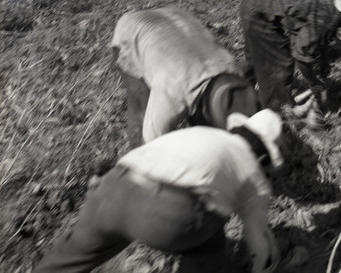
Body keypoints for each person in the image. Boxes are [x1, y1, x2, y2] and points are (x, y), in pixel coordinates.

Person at [33, 109, 283, 273]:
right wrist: (264, 266)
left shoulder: (203, 133)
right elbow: (257, 240)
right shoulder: (254, 174)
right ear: (263, 155)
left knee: (68, 261)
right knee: (210, 245)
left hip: (111, 187)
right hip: (164, 214)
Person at [112, 6, 260, 148]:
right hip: (131, 32)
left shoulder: (231, 68)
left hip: (175, 15)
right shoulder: (171, 91)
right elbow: (149, 146)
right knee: (141, 110)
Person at [240, 0, 341, 113]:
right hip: (259, 14)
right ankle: (277, 114)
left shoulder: (334, 1)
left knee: (255, 58)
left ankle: (237, 92)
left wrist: (323, 62)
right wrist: (314, 83)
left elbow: (323, 37)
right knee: (280, 67)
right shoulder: (325, 18)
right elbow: (301, 57)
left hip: (258, 0)